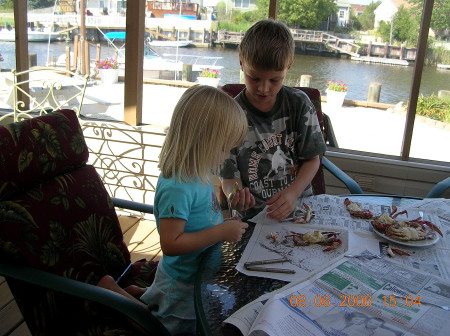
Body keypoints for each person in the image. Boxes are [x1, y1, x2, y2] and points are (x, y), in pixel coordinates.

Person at [97, 85, 249, 335]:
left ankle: (142, 293)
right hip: (182, 281)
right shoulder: (178, 186)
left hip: (194, 270)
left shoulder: (199, 173)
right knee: (161, 330)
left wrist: (225, 220)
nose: (226, 155)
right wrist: (221, 232)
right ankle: (113, 293)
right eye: (224, 147)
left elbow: (200, 218)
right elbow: (170, 243)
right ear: (203, 141)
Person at [220, 19, 327, 221]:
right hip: (250, 219)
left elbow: (313, 160)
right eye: (254, 78)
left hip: (298, 212)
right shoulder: (231, 115)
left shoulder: (299, 105)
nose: (263, 88)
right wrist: (234, 194)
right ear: (242, 64)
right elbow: (228, 177)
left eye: (274, 80)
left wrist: (293, 193)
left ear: (288, 68)